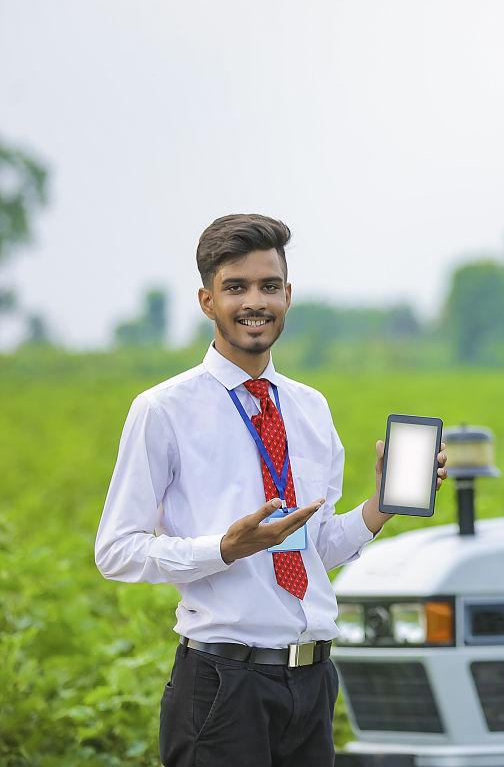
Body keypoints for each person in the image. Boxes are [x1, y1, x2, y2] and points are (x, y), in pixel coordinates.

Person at [95, 214, 447, 766]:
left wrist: (380, 506)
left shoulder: (309, 407)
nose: (254, 302)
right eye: (235, 288)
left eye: (268, 286)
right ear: (207, 301)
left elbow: (312, 549)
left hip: (311, 684)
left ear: (288, 295)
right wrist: (223, 549)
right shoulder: (163, 409)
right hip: (221, 685)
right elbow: (116, 551)